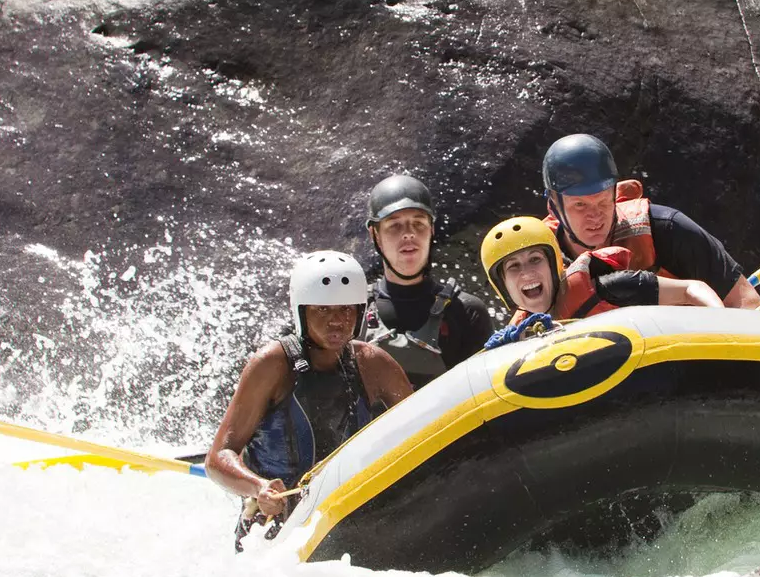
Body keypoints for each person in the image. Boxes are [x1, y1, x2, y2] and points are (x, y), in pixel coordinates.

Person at [204, 250, 413, 545]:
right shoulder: (271, 364)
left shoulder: (374, 363)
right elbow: (217, 458)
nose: (337, 321)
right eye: (323, 310)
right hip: (274, 528)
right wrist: (257, 487)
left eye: (346, 310)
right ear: (302, 311)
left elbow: (420, 430)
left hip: (350, 523)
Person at [539, 134, 760, 309]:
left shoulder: (667, 229)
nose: (595, 215)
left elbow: (747, 303)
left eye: (603, 201)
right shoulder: (538, 262)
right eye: (580, 205)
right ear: (553, 207)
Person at [478, 215, 719, 339]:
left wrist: (722, 322)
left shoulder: (608, 288)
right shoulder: (514, 338)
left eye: (535, 259)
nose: (527, 273)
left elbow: (691, 289)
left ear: (554, 265)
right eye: (513, 267)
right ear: (501, 286)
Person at [359, 172, 493, 385]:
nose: (408, 234)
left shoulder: (466, 312)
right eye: (394, 225)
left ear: (431, 229)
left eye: (418, 223)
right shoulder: (354, 312)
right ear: (374, 234)